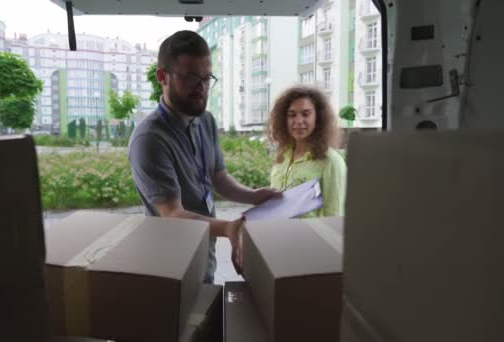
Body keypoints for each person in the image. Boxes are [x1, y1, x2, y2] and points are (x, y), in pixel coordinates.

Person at [128, 31, 278, 283]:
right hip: (170, 264)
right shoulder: (149, 139)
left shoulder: (205, 121)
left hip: (204, 251)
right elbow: (173, 214)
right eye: (191, 78)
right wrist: (228, 228)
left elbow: (219, 179)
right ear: (162, 77)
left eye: (207, 78)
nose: (201, 88)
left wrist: (254, 196)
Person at [267, 86, 346, 217]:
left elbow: (334, 216)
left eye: (305, 114)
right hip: (279, 235)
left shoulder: (330, 161)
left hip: (311, 237)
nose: (298, 121)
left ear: (318, 117)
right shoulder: (282, 156)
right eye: (292, 115)